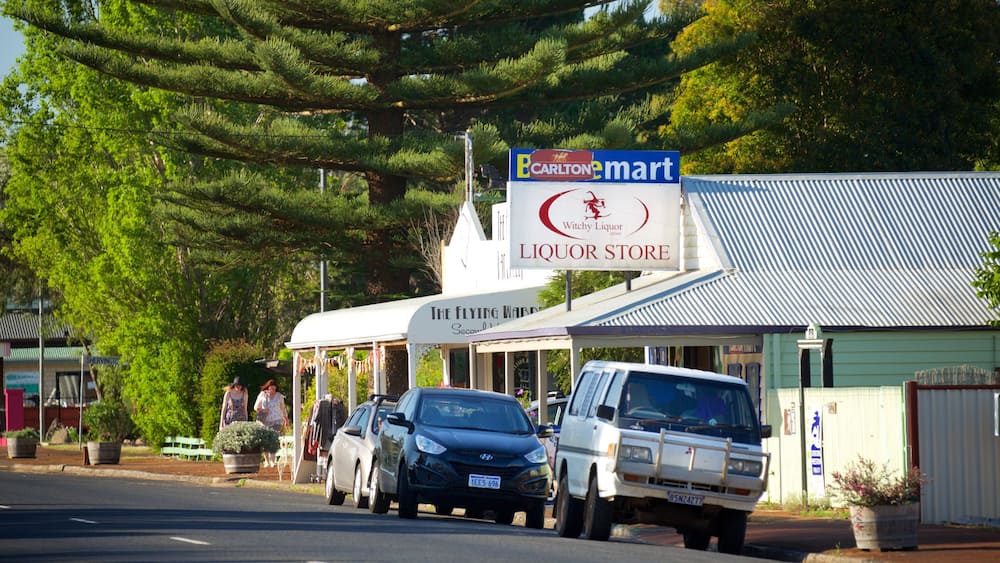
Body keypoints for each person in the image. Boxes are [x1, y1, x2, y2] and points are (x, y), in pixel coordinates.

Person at [254, 379, 288, 467]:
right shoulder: (262, 395)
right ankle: (267, 461)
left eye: (274, 388)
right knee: (265, 440)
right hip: (264, 421)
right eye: (270, 388)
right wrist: (263, 410)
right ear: (268, 388)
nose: (272, 390)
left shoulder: (279, 396)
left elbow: (283, 408)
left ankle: (272, 460)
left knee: (273, 439)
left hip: (277, 420)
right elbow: (256, 407)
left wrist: (285, 419)